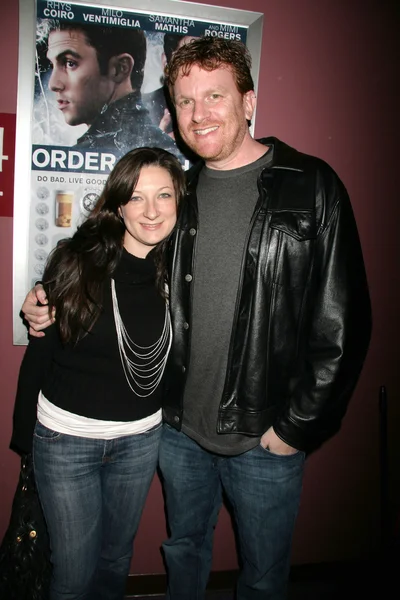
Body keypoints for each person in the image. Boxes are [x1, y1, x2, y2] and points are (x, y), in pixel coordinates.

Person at [22, 37, 372, 599]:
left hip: (264, 435)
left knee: (261, 580)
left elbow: (344, 325)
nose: (199, 113)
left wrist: (295, 428)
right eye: (185, 101)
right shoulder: (180, 195)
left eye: (214, 95)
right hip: (178, 432)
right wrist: (45, 298)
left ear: (249, 102)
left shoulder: (312, 186)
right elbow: (111, 255)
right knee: (184, 555)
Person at [12, 147, 185, 600]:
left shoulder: (181, 273)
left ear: (179, 203)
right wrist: (22, 432)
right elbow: (40, 349)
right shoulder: (76, 262)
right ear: (118, 204)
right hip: (67, 441)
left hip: (141, 440)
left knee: (115, 562)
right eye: (138, 196)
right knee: (71, 575)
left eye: (164, 196)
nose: (151, 211)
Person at [36, 19, 184, 161]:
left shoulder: (84, 155)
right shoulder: (163, 145)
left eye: (70, 63)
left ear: (120, 68)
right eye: (52, 65)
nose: (53, 84)